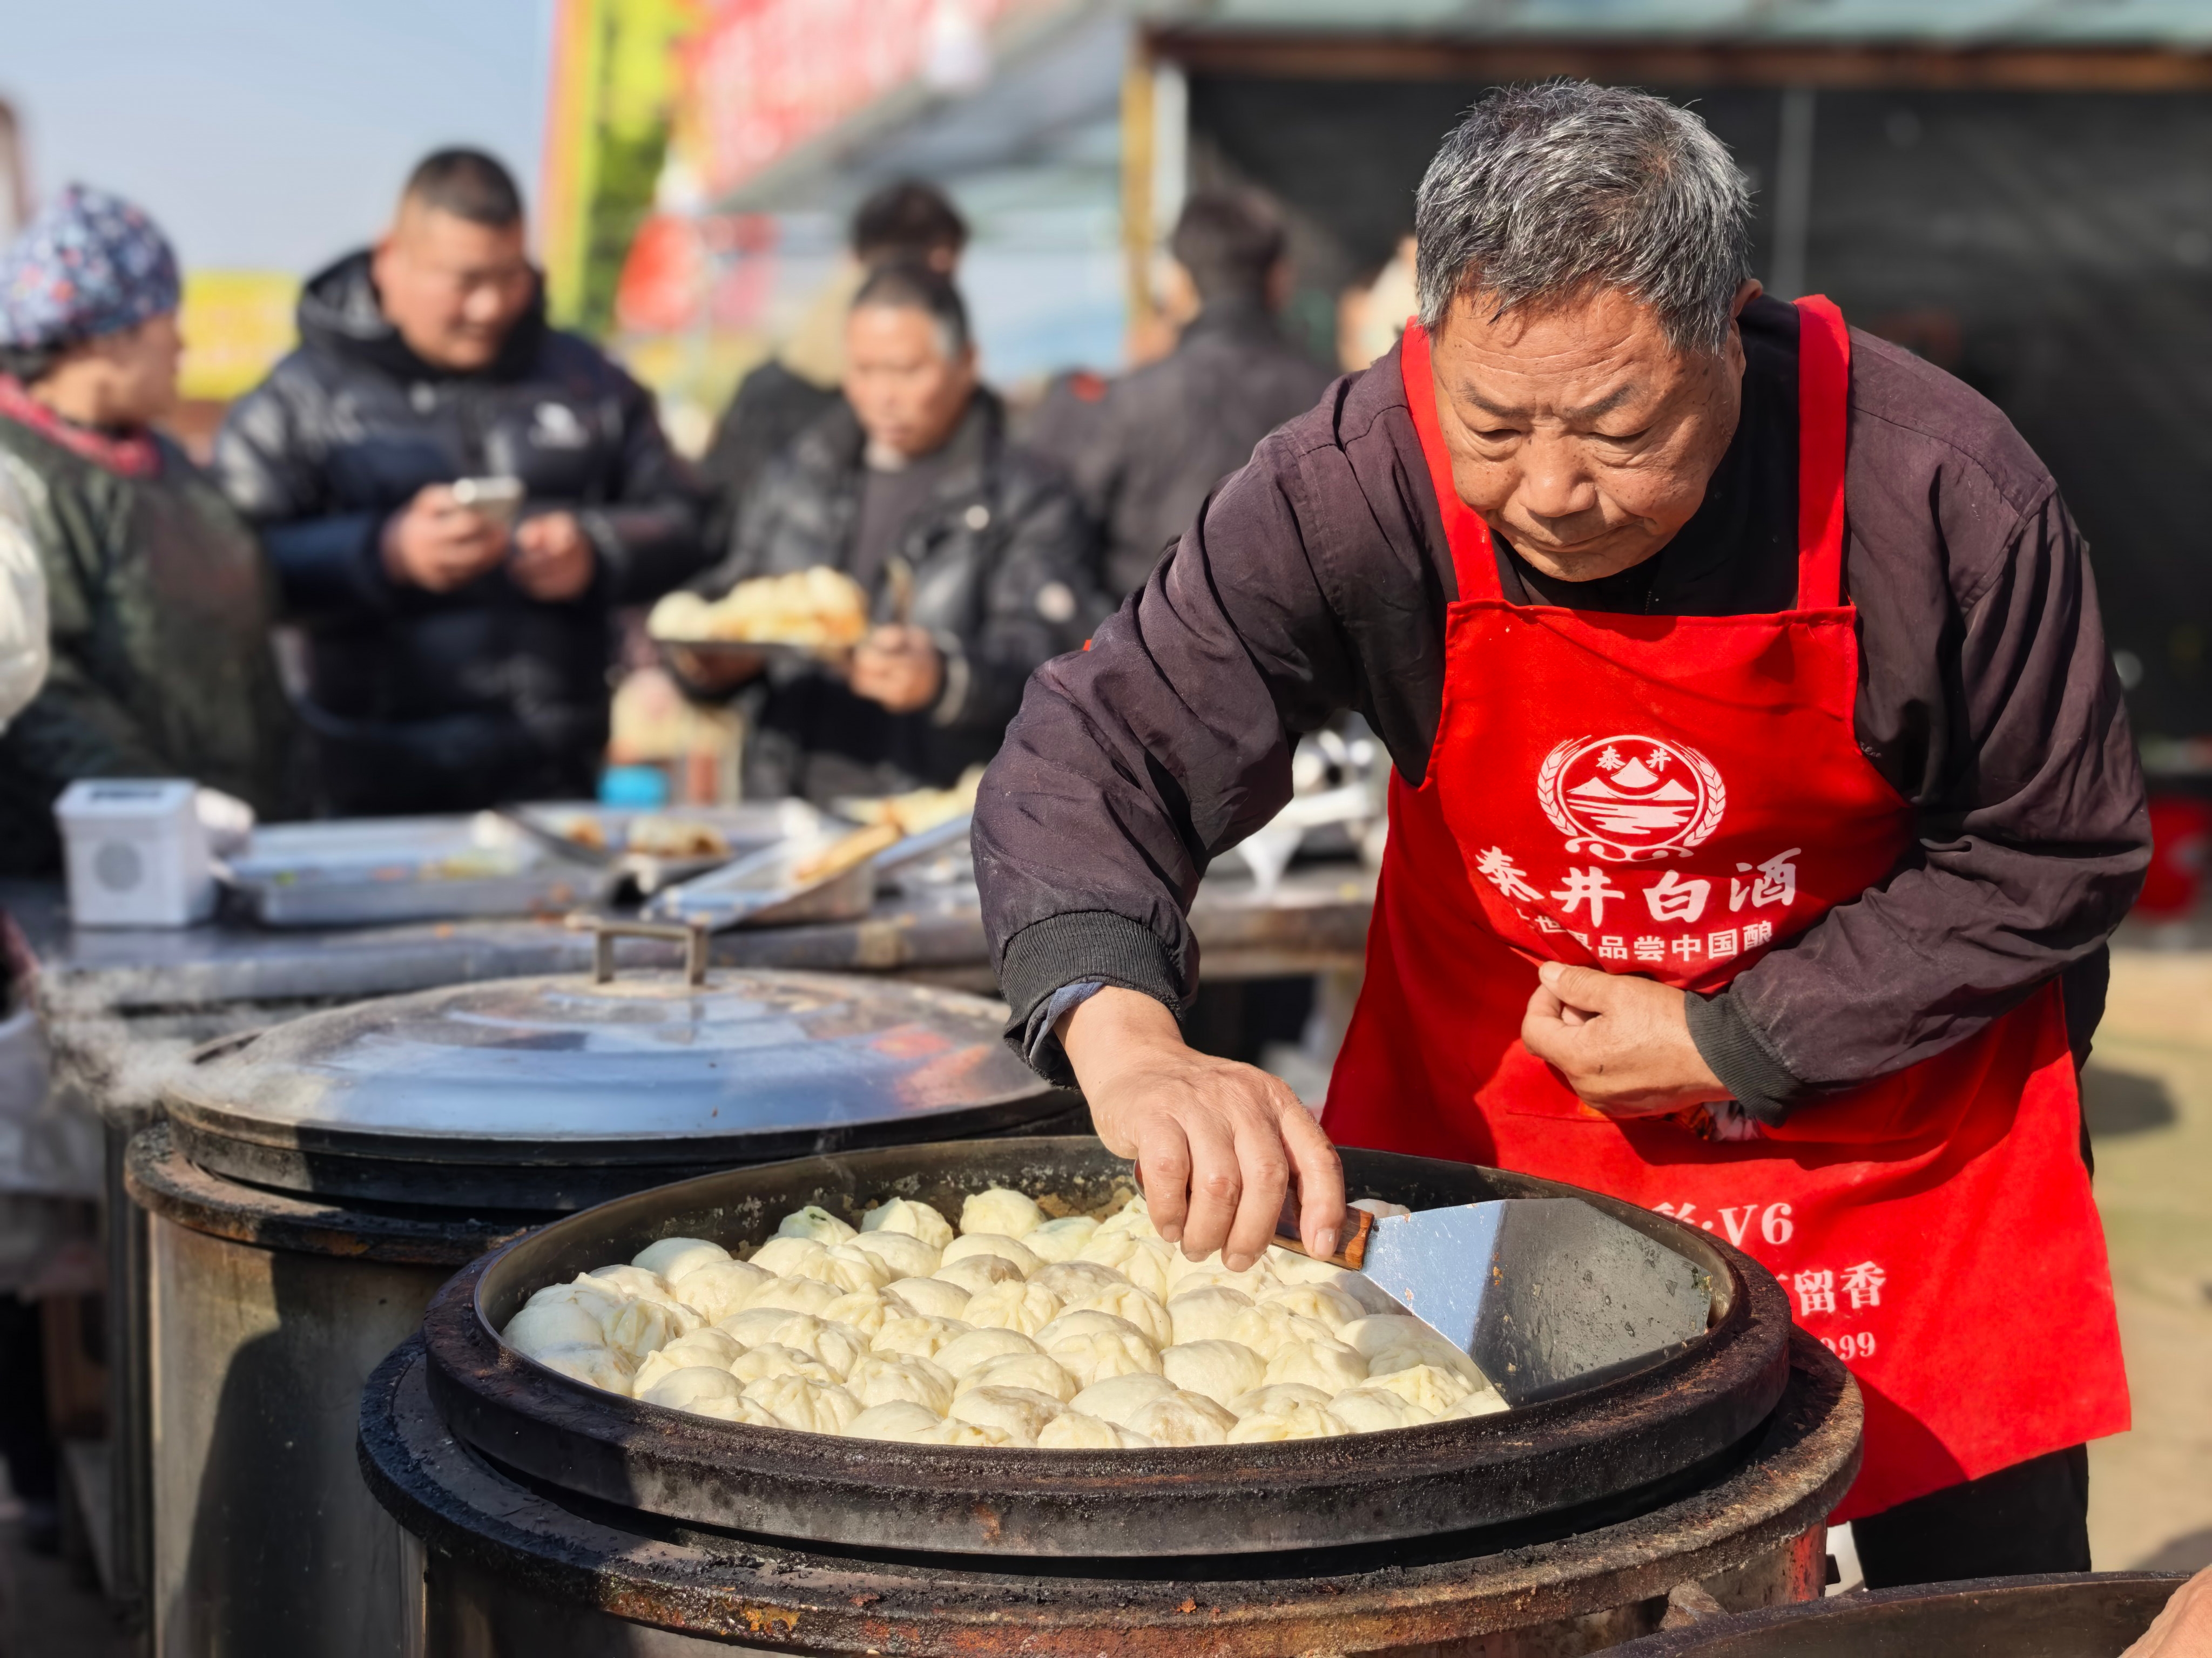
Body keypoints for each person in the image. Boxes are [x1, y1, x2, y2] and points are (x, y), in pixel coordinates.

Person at [974, 83, 2146, 1587]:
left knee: (1974, 1604)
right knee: (1515, 1578)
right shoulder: (1353, 479)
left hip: (1894, 1140)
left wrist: (1742, 1029)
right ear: (1429, 327)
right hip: (1526, 1129)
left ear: (1732, 325)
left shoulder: (1940, 491)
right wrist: (1125, 1032)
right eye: (1493, 421)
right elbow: (1108, 732)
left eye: (1617, 426)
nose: (1549, 491)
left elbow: (2055, 846)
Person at [215, 149, 703, 815]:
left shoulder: (592, 384)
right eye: (465, 279)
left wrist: (597, 549)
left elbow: (690, 521)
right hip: (363, 788)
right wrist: (381, 552)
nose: (490, 305)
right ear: (393, 259)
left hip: (556, 781)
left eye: (511, 275)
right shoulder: (296, 399)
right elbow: (229, 564)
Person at [680, 261, 1095, 804]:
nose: (882, 395)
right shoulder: (795, 477)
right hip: (788, 805)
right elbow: (737, 599)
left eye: (905, 371)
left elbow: (1058, 656)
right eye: (865, 371)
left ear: (966, 363)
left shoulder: (1026, 495)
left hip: (940, 815)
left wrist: (945, 677)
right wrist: (709, 664)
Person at [0, 185, 296, 872]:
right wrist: (157, 806)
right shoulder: (17, 476)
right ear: (111, 334)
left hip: (226, 846)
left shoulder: (169, 465)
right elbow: (36, 685)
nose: (183, 344)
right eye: (169, 318)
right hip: (91, 867)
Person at [1058, 191, 1334, 599]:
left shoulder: (1130, 400)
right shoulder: (1334, 398)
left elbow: (1066, 536)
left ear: (1180, 283)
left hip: (1152, 647)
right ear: (1281, 278)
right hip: (1303, 653)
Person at [694, 179, 967, 552]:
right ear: (941, 259)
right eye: (868, 371)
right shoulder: (858, 416)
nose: (884, 395)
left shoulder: (770, 379)